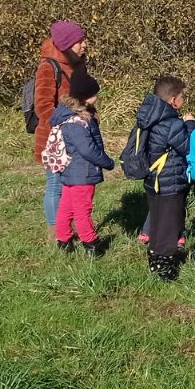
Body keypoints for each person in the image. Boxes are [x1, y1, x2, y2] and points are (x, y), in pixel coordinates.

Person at [48, 67, 115, 255]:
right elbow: (88, 149)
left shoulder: (68, 116)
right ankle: (91, 244)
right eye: (95, 94)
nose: (97, 97)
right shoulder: (78, 122)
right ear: (85, 97)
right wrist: (107, 162)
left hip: (71, 170)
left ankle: (64, 241)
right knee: (82, 210)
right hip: (83, 172)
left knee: (66, 207)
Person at [135, 75, 193, 281]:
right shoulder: (171, 123)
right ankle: (165, 269)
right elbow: (188, 147)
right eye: (182, 96)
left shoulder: (149, 117)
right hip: (170, 182)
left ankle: (154, 260)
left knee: (158, 222)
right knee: (169, 225)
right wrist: (190, 125)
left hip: (153, 179)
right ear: (173, 100)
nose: (184, 100)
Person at [33, 19, 88, 230]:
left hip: (77, 137)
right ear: (66, 43)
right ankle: (56, 234)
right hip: (53, 139)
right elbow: (43, 106)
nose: (84, 45)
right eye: (79, 41)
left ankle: (69, 228)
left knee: (73, 186)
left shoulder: (77, 65)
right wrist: (67, 124)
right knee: (56, 185)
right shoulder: (48, 67)